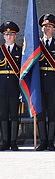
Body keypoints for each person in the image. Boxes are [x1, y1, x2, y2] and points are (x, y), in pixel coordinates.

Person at [37, 14, 55, 151]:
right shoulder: (36, 44)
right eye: (44, 26)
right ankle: (42, 141)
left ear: (53, 29)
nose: (46, 28)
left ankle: (50, 141)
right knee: (40, 114)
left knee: (52, 113)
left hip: (53, 84)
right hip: (39, 84)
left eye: (49, 26)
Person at [0, 21, 21, 151]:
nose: (9, 36)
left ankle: (13, 141)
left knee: (14, 115)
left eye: (11, 34)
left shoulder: (20, 51)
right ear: (3, 36)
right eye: (6, 34)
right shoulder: (0, 50)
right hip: (1, 87)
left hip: (14, 87)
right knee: (3, 115)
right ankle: (4, 141)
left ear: (15, 36)